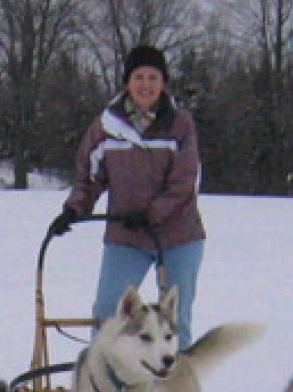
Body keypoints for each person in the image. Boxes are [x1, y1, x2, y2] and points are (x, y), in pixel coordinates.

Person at [49, 44, 206, 352]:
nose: (145, 84)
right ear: (127, 83)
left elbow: (184, 182)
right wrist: (74, 208)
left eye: (152, 77)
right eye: (139, 77)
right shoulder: (106, 127)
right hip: (126, 236)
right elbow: (89, 175)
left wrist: (152, 214)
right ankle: (105, 381)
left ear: (163, 84)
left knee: (174, 318)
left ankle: (175, 386)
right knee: (109, 311)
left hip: (178, 237)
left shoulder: (180, 124)